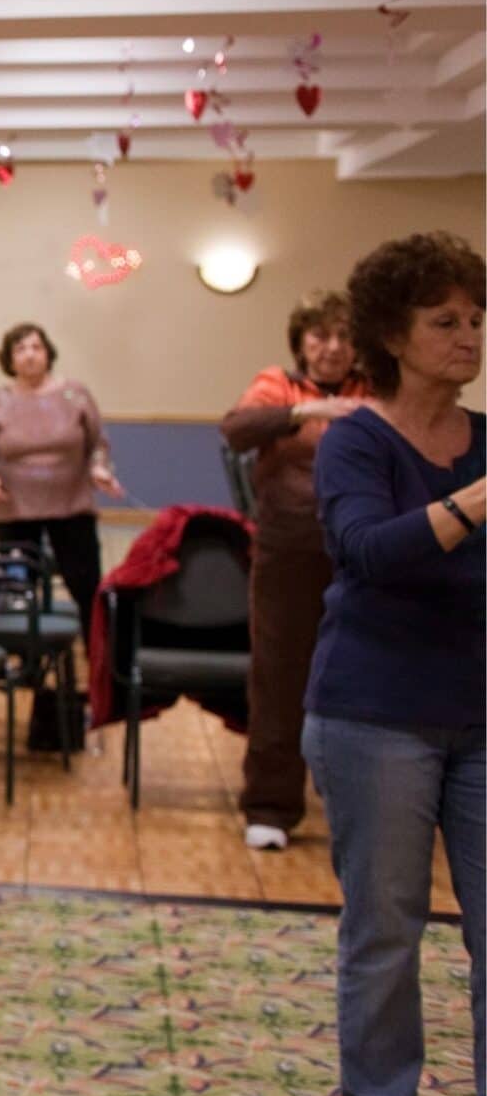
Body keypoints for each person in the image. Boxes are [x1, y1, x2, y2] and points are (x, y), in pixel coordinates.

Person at [302, 231, 483, 1096]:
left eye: (473, 320)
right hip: (372, 714)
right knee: (385, 929)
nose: (466, 338)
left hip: (479, 713)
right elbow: (364, 551)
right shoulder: (357, 440)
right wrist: (473, 503)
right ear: (391, 334)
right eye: (442, 322)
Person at [220, 291, 369, 851]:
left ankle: (361, 806)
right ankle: (271, 808)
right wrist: (306, 412)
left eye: (344, 336)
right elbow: (235, 429)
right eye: (320, 336)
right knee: (279, 676)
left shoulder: (373, 389)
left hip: (363, 556)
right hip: (287, 551)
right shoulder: (278, 385)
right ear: (301, 342)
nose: (333, 348)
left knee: (362, 679)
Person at [0, 322, 124, 619]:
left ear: (48, 353)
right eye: (20, 349)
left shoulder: (75, 394)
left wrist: (99, 469)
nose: (29, 355)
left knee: (86, 586)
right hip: (14, 509)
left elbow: (98, 444)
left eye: (36, 347)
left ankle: (99, 658)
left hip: (72, 507)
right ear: (9, 360)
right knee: (18, 593)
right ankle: (27, 659)